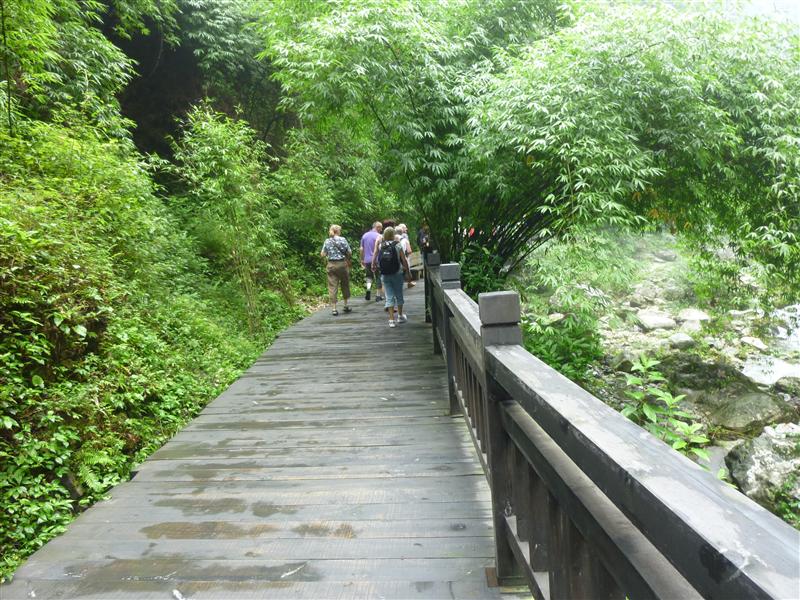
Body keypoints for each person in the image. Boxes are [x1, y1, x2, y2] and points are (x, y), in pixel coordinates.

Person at [372, 226, 410, 328]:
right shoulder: (397, 245)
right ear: (393, 235)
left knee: (389, 296)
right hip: (397, 273)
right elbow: (404, 259)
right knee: (399, 294)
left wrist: (373, 264)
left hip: (385, 274)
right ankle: (400, 316)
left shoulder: (381, 246)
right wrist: (408, 272)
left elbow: (376, 255)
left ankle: (391, 320)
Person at [320, 224, 352, 316]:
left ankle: (334, 309)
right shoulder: (343, 240)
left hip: (331, 265)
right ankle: (346, 305)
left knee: (332, 286)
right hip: (342, 264)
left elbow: (322, 254)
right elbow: (349, 252)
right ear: (338, 231)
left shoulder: (327, 241)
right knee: (345, 284)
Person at [360, 221, 383, 301]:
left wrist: (362, 259)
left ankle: (368, 289)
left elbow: (361, 249)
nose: (381, 230)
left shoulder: (365, 235)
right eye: (381, 228)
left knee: (369, 276)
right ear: (378, 227)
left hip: (367, 260)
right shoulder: (379, 236)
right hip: (376, 260)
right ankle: (378, 295)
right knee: (378, 276)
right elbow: (381, 249)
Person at [396, 224, 416, 288]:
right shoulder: (404, 239)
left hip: (393, 259)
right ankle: (409, 283)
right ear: (402, 232)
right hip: (403, 258)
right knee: (406, 270)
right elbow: (409, 251)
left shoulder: (391, 239)